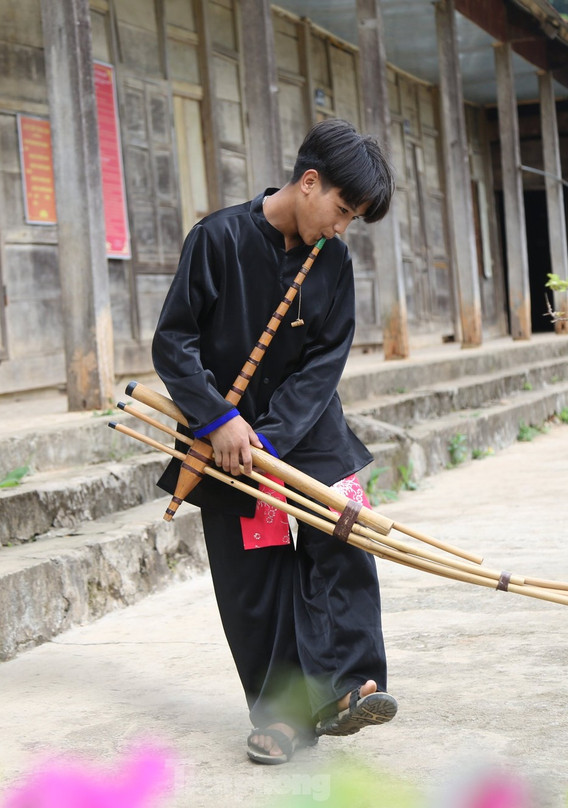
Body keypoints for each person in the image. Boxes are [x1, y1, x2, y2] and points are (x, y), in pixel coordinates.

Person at [151, 118, 398, 765]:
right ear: (309, 183)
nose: (342, 226)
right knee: (253, 575)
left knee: (344, 534)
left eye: (354, 218)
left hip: (307, 427)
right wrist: (218, 421)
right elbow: (172, 343)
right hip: (220, 432)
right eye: (342, 210)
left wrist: (269, 438)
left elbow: (324, 364)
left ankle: (350, 689)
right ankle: (284, 715)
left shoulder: (334, 263)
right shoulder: (218, 239)